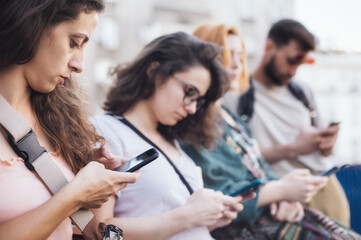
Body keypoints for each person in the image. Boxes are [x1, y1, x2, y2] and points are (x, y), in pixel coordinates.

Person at [181, 23, 361, 239]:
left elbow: (255, 162)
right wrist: (282, 185)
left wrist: (285, 192)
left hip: (307, 189)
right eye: (228, 56)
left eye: (241, 55)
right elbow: (224, 187)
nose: (237, 65)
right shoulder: (225, 106)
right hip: (267, 210)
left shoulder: (298, 92)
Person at [0, 1, 139, 239]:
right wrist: (74, 195)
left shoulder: (57, 117)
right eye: (74, 43)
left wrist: (82, 173)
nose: (80, 65)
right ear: (31, 25)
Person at [91, 31, 245, 240]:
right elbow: (99, 233)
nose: (192, 108)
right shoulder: (105, 131)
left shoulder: (171, 140)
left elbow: (164, 220)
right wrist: (188, 216)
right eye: (189, 91)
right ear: (155, 71)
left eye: (198, 100)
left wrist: (207, 220)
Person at [235, 19, 350, 225]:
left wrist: (326, 143)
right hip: (283, 196)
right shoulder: (238, 95)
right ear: (269, 47)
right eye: (291, 60)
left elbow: (324, 152)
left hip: (326, 184)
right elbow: (240, 160)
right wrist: (293, 149)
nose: (293, 71)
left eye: (300, 64)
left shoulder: (302, 91)